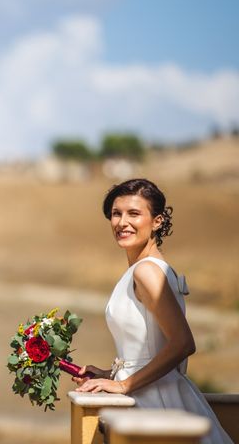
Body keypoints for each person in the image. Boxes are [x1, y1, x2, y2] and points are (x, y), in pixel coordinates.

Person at [72, 178, 232, 443]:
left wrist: (124, 385)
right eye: (116, 213)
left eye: (134, 213)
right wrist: (108, 375)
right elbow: (150, 346)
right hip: (152, 389)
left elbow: (182, 343)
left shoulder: (146, 271)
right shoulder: (151, 268)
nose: (122, 222)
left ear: (157, 221)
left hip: (155, 400)